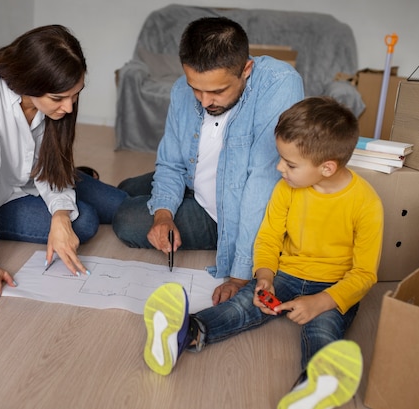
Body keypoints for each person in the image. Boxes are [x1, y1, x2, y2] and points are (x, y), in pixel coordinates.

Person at [142, 97, 383, 407]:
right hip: (285, 276)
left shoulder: (366, 204)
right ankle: (183, 332)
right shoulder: (287, 188)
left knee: (323, 329)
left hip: (334, 288)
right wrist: (265, 276)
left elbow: (364, 275)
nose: (279, 167)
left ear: (327, 167)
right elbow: (269, 237)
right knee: (244, 304)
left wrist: (320, 302)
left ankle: (312, 388)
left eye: (290, 163)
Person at [112, 17, 304, 304]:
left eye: (217, 91)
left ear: (246, 69)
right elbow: (172, 163)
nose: (203, 101)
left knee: (126, 219)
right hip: (197, 177)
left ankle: (78, 200)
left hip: (228, 214)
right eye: (196, 89)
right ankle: (72, 193)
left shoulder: (280, 84)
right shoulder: (180, 89)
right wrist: (163, 215)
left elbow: (262, 185)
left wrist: (240, 274)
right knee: (127, 185)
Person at [0, 25, 127, 300]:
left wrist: (60, 214)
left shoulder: (50, 103)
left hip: (34, 179)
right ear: (30, 79)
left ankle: (159, 185)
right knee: (85, 220)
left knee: (122, 204)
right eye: (58, 98)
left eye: (75, 95)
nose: (69, 108)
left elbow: (51, 163)